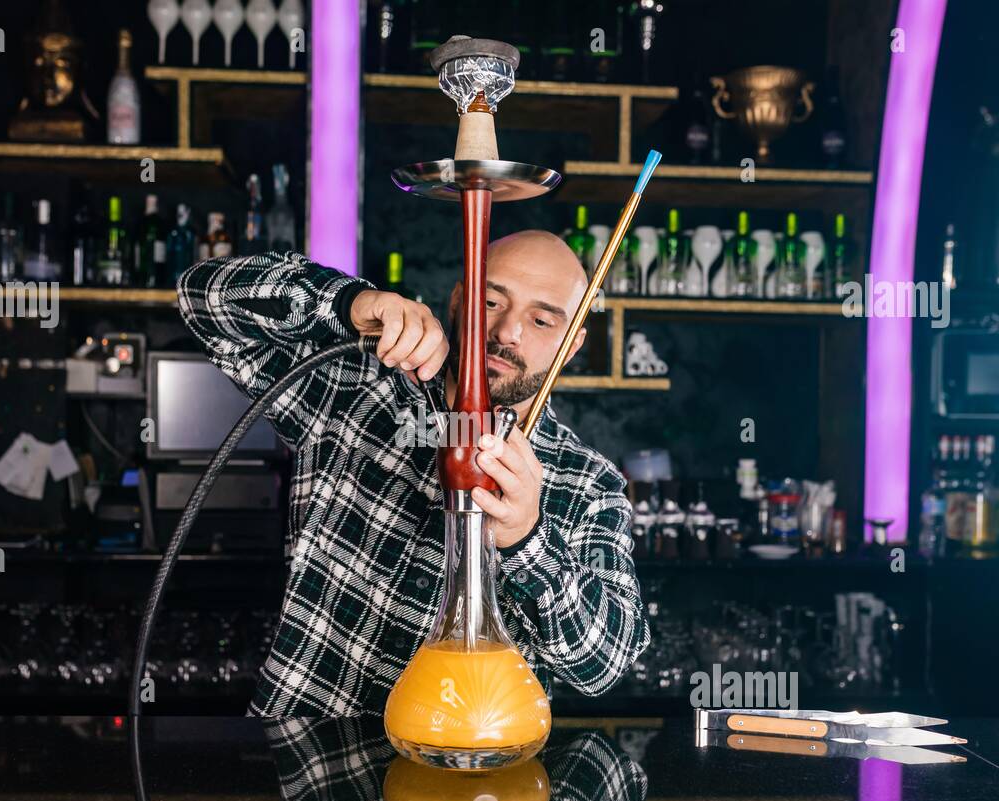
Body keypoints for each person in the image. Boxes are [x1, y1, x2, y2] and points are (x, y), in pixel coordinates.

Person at [178, 229, 650, 717]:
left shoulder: (588, 482)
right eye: (491, 302)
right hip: (311, 749)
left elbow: (606, 664)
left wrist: (528, 540)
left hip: (477, 757)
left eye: (542, 320)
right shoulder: (356, 389)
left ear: (571, 345)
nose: (508, 331)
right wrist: (347, 304)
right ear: (458, 301)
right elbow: (200, 298)